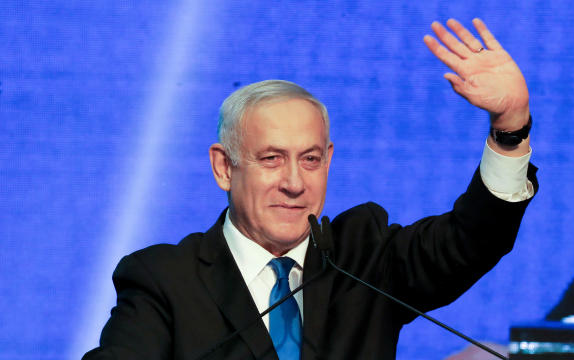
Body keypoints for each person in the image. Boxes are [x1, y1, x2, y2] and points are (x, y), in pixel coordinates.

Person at [83, 18, 537, 359]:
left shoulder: (364, 258)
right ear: (224, 167)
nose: (295, 183)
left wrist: (509, 126)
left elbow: (474, 238)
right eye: (271, 159)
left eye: (310, 160)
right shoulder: (165, 279)